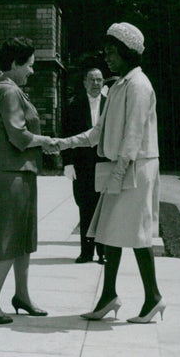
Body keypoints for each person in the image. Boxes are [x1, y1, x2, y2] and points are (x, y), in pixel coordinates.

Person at [53, 22, 163, 323]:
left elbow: (133, 136)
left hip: (136, 168)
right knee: (112, 231)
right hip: (124, 167)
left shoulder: (139, 86)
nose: (107, 58)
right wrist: (61, 143)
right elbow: (97, 132)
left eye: (112, 52)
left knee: (137, 234)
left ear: (127, 53)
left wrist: (118, 175)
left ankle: (151, 297)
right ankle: (111, 296)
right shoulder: (118, 86)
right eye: (106, 52)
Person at [0, 37, 56, 324]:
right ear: (14, 64)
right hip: (9, 173)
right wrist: (46, 141)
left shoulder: (7, 89)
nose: (32, 71)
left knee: (22, 238)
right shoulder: (8, 92)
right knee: (10, 237)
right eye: (30, 66)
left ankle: (21, 294)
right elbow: (18, 135)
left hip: (18, 172)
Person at [63, 66, 107, 264]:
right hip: (81, 165)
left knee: (104, 209)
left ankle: (103, 253)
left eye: (99, 80)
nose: (96, 83)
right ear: (84, 83)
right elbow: (66, 136)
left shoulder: (110, 105)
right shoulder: (73, 106)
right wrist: (68, 163)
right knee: (85, 207)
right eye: (92, 79)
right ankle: (86, 252)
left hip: (105, 165)